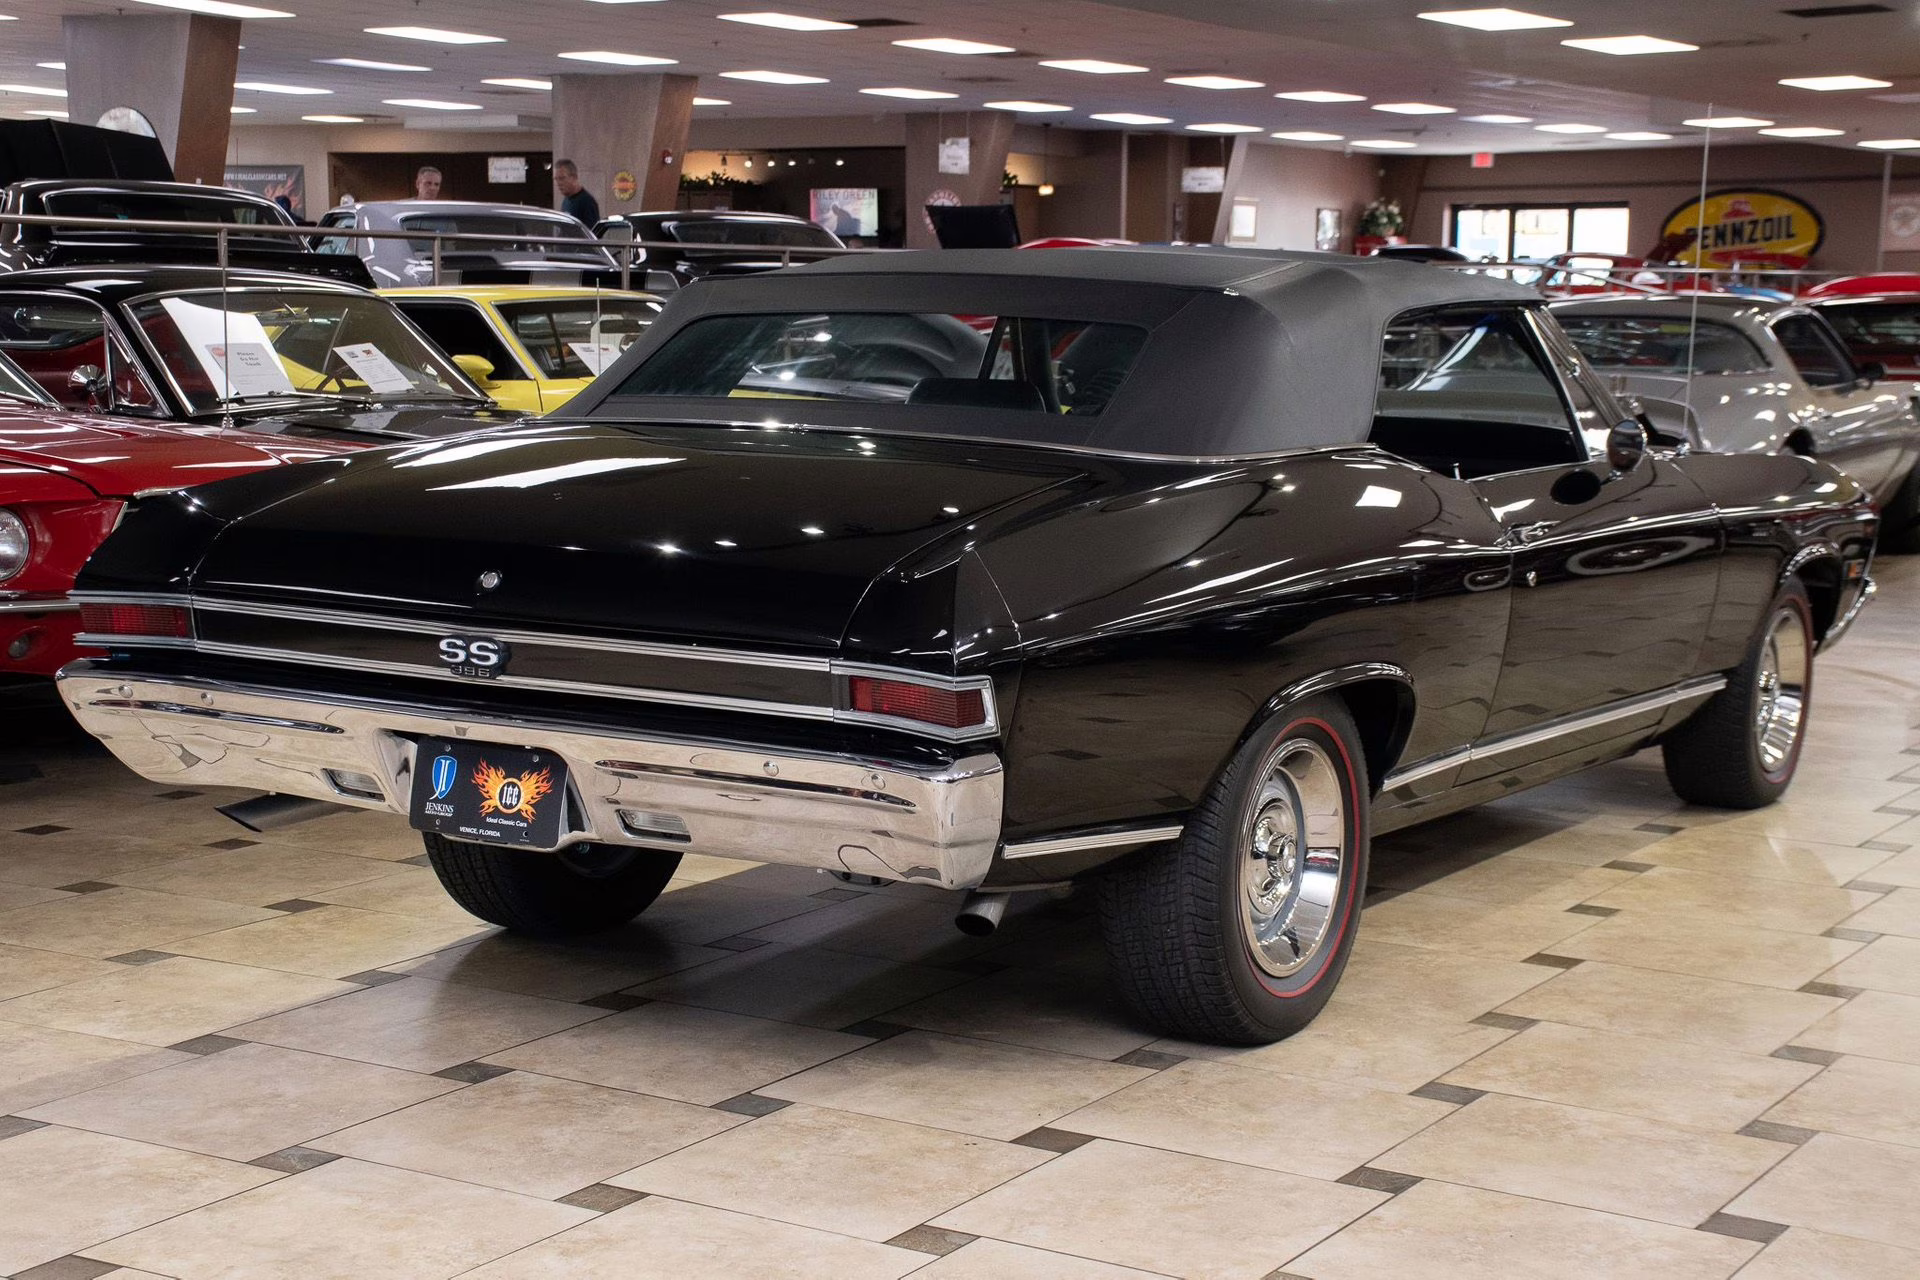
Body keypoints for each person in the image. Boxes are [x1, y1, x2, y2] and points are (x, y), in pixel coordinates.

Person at [554, 159, 600, 227]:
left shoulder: (587, 202)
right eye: (556, 179)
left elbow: (591, 233)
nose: (558, 183)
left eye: (562, 178)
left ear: (574, 177)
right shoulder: (566, 201)